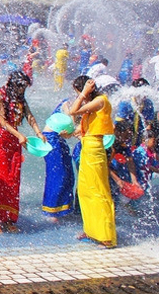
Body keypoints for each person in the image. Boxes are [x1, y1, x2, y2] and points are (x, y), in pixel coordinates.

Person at [0, 71, 44, 233]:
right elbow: (2, 121)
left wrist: (39, 133)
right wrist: (19, 134)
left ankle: (9, 218)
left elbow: (29, 116)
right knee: (1, 179)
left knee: (13, 180)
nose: (22, 91)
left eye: (24, 88)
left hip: (15, 141)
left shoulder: (20, 98)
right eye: (21, 87)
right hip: (2, 140)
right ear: (14, 84)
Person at [67, 76, 116, 248]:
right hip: (87, 148)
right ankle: (91, 230)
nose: (78, 95)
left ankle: (106, 236)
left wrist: (83, 94)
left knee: (99, 191)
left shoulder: (100, 101)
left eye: (78, 91)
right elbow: (82, 125)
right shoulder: (92, 108)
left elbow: (73, 111)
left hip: (95, 150)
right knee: (86, 191)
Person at [41, 112, 76, 221]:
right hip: (52, 138)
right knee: (58, 176)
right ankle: (52, 211)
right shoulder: (72, 104)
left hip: (57, 137)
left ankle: (63, 208)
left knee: (67, 174)